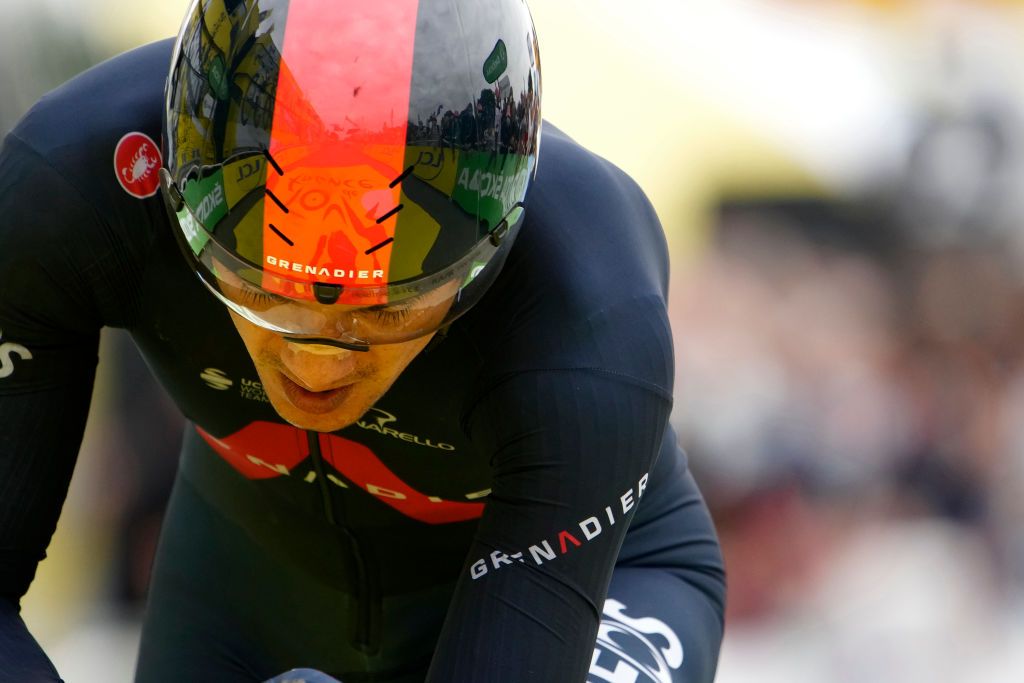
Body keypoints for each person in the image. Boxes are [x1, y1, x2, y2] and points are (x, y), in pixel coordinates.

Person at [0, 0, 726, 681]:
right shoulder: (72, 184)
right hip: (243, 581)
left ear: (493, 253)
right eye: (260, 288)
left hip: (595, 579)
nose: (315, 359)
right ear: (177, 199)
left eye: (384, 311)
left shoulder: (589, 306)